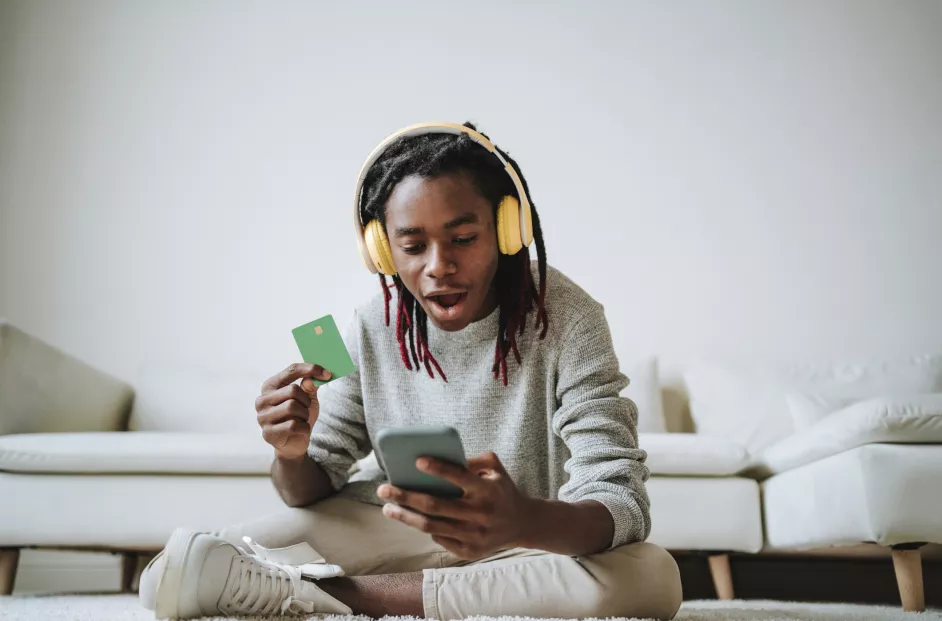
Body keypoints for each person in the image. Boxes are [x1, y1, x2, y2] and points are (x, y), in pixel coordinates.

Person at [138, 122, 682, 620]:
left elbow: (620, 499)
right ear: (382, 251)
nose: (438, 266)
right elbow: (308, 488)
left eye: (463, 239)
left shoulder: (569, 316)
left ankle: (333, 596)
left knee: (653, 576)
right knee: (175, 572)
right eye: (413, 246)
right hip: (396, 527)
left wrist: (521, 520)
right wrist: (291, 451)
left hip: (528, 537)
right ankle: (434, 591)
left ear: (506, 230)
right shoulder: (368, 324)